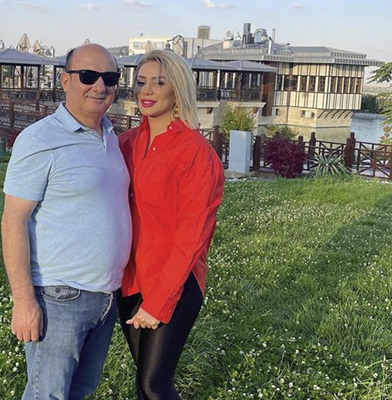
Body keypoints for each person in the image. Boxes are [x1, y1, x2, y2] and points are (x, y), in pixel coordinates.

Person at [1, 44, 131, 400]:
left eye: (110, 78)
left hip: (105, 297)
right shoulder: (40, 139)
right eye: (88, 76)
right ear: (65, 80)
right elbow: (13, 220)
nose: (100, 86)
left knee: (79, 390)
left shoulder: (110, 137)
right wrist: (23, 301)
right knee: (48, 394)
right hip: (59, 298)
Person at [118, 50, 224, 399]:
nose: (146, 91)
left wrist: (158, 301)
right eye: (141, 82)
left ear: (177, 90)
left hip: (173, 282)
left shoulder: (195, 152)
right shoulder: (126, 143)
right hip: (130, 279)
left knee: (154, 385)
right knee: (144, 380)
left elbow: (192, 236)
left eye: (159, 82)